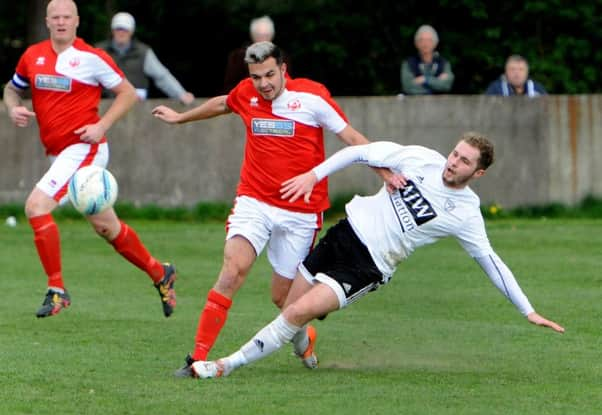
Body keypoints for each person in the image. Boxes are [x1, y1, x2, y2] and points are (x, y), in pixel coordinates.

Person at [188, 132, 565, 379]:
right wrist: (316, 175)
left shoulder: (466, 211)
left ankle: (224, 365)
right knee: (283, 301)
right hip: (344, 234)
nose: (454, 162)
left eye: (465, 162)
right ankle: (305, 347)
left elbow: (491, 262)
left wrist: (527, 310)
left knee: (296, 312)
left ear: (478, 173)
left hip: (368, 266)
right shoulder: (420, 159)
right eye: (455, 154)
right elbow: (357, 152)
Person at [152, 41, 396, 376]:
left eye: (269, 75)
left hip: (300, 213)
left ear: (283, 69)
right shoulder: (246, 93)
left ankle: (304, 339)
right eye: (256, 77)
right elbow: (224, 103)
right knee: (232, 270)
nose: (263, 83)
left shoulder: (312, 97)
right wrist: (181, 118)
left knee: (284, 300)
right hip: (254, 200)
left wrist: (385, 171)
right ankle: (196, 359)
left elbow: (352, 138)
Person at [3, 0, 177, 318]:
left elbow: (126, 93)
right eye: (55, 17)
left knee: (35, 207)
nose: (60, 22)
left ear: (77, 21)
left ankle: (57, 290)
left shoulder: (92, 58)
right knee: (106, 227)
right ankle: (159, 273)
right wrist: (12, 106)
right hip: (59, 153)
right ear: (47, 21)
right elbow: (12, 89)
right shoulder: (33, 56)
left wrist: (102, 125)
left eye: (66, 17)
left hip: (85, 147)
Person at [96, 12, 194, 105]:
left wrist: (180, 94)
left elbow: (162, 76)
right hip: (105, 106)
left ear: (131, 31)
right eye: (118, 29)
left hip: (136, 107)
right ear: (113, 30)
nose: (121, 33)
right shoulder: (99, 51)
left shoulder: (143, 52)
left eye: (125, 29)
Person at [223, 15, 281, 93]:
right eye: (259, 35)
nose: (263, 39)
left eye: (266, 35)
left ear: (272, 35)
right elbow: (230, 86)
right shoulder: (237, 57)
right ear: (253, 36)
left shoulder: (281, 56)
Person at [401, 25, 454, 95]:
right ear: (416, 43)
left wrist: (425, 79)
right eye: (421, 40)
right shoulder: (408, 63)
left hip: (440, 104)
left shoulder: (443, 63)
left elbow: (447, 86)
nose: (425, 44)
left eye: (429, 40)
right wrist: (436, 84)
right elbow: (408, 87)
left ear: (435, 43)